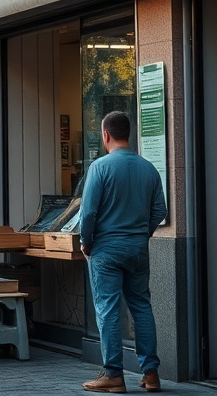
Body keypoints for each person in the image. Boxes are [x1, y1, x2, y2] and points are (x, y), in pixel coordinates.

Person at [79, 111, 168, 394]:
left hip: (106, 249)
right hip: (137, 249)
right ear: (128, 134)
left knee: (108, 310)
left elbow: (89, 211)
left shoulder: (100, 167)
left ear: (105, 135)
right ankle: (151, 374)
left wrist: (86, 241)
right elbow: (160, 211)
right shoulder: (149, 168)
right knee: (141, 307)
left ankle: (114, 375)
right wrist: (143, 233)